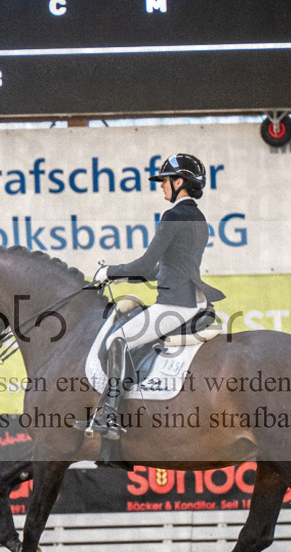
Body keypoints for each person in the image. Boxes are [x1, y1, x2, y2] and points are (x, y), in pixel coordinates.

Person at [86, 153, 226, 441]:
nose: (161, 186)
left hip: (176, 304)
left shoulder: (173, 216)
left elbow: (146, 264)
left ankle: (109, 413)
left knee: (118, 339)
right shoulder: (198, 217)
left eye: (165, 181)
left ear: (179, 182)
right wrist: (125, 277)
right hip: (193, 299)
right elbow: (166, 268)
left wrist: (108, 271)